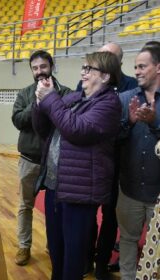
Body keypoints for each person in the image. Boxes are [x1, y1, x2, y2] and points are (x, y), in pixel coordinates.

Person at [32, 51, 122, 280]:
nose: (82, 72)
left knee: (73, 258)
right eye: (83, 67)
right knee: (56, 251)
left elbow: (77, 130)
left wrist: (50, 99)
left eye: (88, 69)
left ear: (105, 76)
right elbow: (44, 128)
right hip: (56, 187)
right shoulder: (75, 97)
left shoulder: (109, 104)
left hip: (79, 193)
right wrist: (39, 102)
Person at [81, 42, 138, 280]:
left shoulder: (132, 87)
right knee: (88, 216)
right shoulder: (86, 83)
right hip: (94, 165)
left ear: (117, 63)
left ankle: (102, 263)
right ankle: (86, 261)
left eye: (108, 57)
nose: (102, 60)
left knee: (111, 217)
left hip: (119, 166)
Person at [11, 50, 71, 266]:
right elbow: (18, 121)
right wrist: (36, 102)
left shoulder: (65, 92)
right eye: (35, 68)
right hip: (29, 159)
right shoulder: (25, 93)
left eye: (43, 67)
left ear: (51, 66)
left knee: (55, 207)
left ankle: (52, 244)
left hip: (56, 162)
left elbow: (67, 123)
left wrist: (51, 99)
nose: (39, 72)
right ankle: (24, 246)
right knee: (25, 205)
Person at [116, 45, 160, 280]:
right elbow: (113, 139)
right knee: (128, 240)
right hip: (129, 190)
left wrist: (155, 123)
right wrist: (129, 123)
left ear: (158, 68)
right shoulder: (125, 99)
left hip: (158, 196)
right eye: (135, 67)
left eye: (142, 66)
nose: (137, 71)